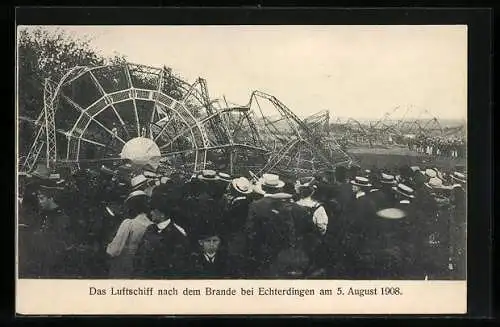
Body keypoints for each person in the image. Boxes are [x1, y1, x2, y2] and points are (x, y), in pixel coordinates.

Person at [134, 185, 190, 278]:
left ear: (162, 214)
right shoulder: (150, 228)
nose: (150, 213)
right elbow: (139, 255)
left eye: (154, 211)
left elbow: (178, 267)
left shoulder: (178, 234)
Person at [106, 190, 153, 278]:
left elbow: (114, 250)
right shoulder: (151, 224)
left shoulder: (128, 223)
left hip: (123, 268)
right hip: (140, 270)